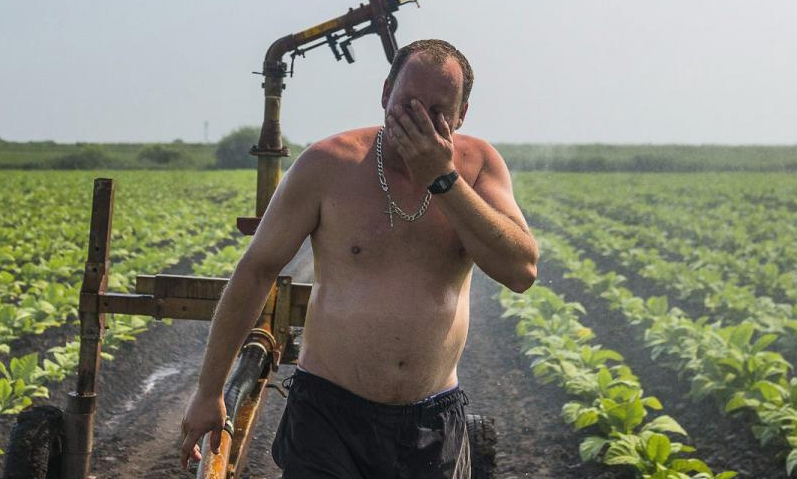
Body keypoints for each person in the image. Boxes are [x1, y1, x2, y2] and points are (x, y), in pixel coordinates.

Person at [178, 39, 539, 478]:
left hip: (430, 422)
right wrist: (208, 391)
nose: (418, 120)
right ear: (385, 93)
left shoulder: (479, 165)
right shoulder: (328, 164)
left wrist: (444, 180)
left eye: (438, 111)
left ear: (461, 115)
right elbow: (256, 270)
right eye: (407, 103)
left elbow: (521, 271)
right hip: (329, 416)